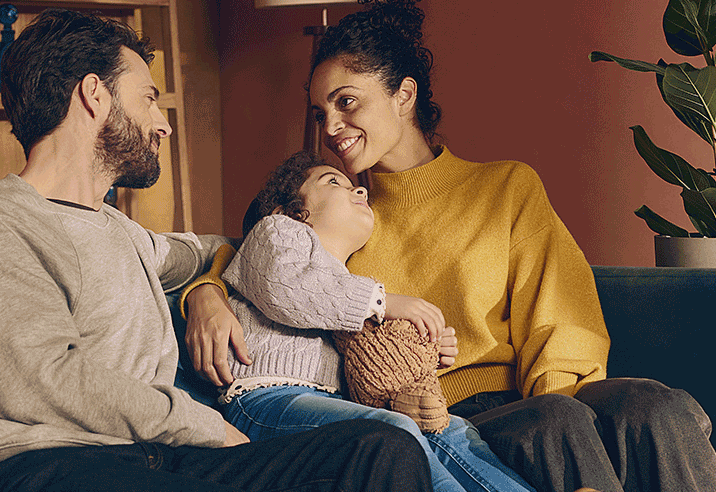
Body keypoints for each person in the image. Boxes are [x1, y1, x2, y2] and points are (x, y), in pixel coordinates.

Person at [185, 0, 716, 492]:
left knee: (653, 405)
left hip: (539, 396)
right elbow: (263, 253)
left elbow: (563, 315)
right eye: (320, 111)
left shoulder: (506, 186)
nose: (329, 128)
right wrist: (204, 291)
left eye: (346, 102)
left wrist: (566, 402)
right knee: (557, 419)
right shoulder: (341, 216)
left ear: (404, 94)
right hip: (442, 416)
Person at [0, 8, 435, 492]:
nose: (161, 123)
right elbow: (43, 382)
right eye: (148, 98)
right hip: (49, 465)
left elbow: (219, 251)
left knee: (381, 449)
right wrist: (204, 425)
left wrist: (209, 291)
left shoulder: (122, 232)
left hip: (159, 457)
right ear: (94, 96)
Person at [217, 150, 534, 492]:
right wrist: (383, 301)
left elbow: (367, 355)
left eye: (355, 186)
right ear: (293, 212)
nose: (360, 190)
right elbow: (286, 288)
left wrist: (421, 350)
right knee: (394, 430)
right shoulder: (277, 231)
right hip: (264, 399)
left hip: (329, 403)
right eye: (334, 182)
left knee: (453, 429)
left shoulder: (346, 279)